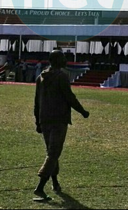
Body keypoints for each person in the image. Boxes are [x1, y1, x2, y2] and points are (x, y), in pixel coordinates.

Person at [33, 49, 90, 201]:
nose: (65, 59)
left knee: (51, 152)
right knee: (53, 153)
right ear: (57, 60)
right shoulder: (61, 77)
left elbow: (36, 101)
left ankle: (55, 183)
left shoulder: (41, 77)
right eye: (63, 57)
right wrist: (82, 111)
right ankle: (40, 187)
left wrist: (37, 121)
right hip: (58, 120)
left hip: (45, 120)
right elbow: (70, 97)